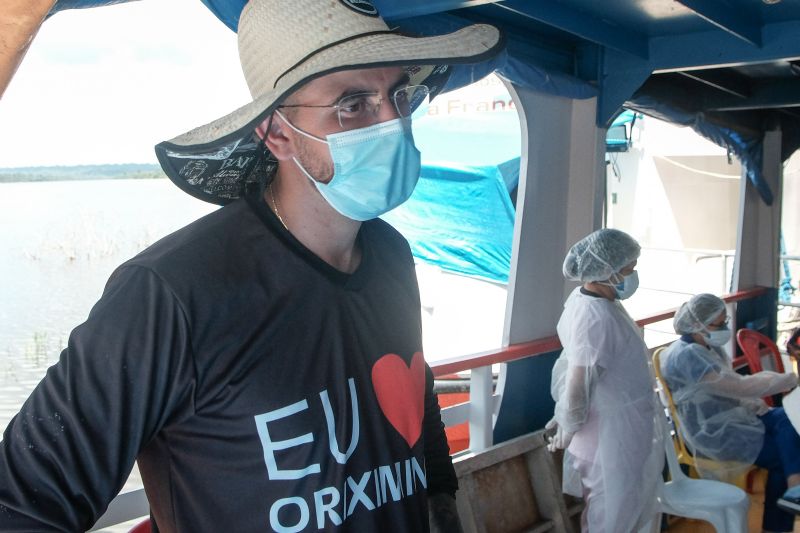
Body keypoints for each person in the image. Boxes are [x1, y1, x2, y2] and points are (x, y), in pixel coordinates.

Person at [0, 1, 504, 531]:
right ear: (277, 133)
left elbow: (414, 390)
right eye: (353, 103)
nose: (392, 121)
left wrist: (441, 497)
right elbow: (21, 504)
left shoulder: (393, 256)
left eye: (399, 94)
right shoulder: (172, 294)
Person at [547, 228, 664, 533]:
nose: (633, 274)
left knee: (614, 513)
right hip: (610, 439)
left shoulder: (597, 301)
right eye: (628, 269)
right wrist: (567, 424)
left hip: (618, 431)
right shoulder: (595, 317)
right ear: (606, 270)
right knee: (610, 518)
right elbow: (578, 383)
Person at [660, 293, 800, 532]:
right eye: (719, 324)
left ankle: (793, 490)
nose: (724, 328)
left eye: (725, 322)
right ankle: (780, 516)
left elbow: (733, 385)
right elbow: (737, 387)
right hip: (713, 432)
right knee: (781, 456)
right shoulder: (687, 356)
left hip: (731, 418)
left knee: (788, 418)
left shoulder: (706, 347)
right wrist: (788, 379)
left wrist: (755, 401)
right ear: (697, 324)